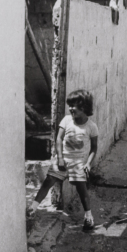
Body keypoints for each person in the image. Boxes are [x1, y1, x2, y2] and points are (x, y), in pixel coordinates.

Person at [30, 89, 99, 232]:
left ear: (84, 107)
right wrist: (60, 158)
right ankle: (32, 208)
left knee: (82, 189)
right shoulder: (67, 120)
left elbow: (94, 148)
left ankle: (89, 217)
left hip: (78, 163)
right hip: (62, 160)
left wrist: (88, 164)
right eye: (70, 105)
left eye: (75, 105)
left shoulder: (91, 127)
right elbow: (59, 139)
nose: (71, 108)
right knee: (48, 182)